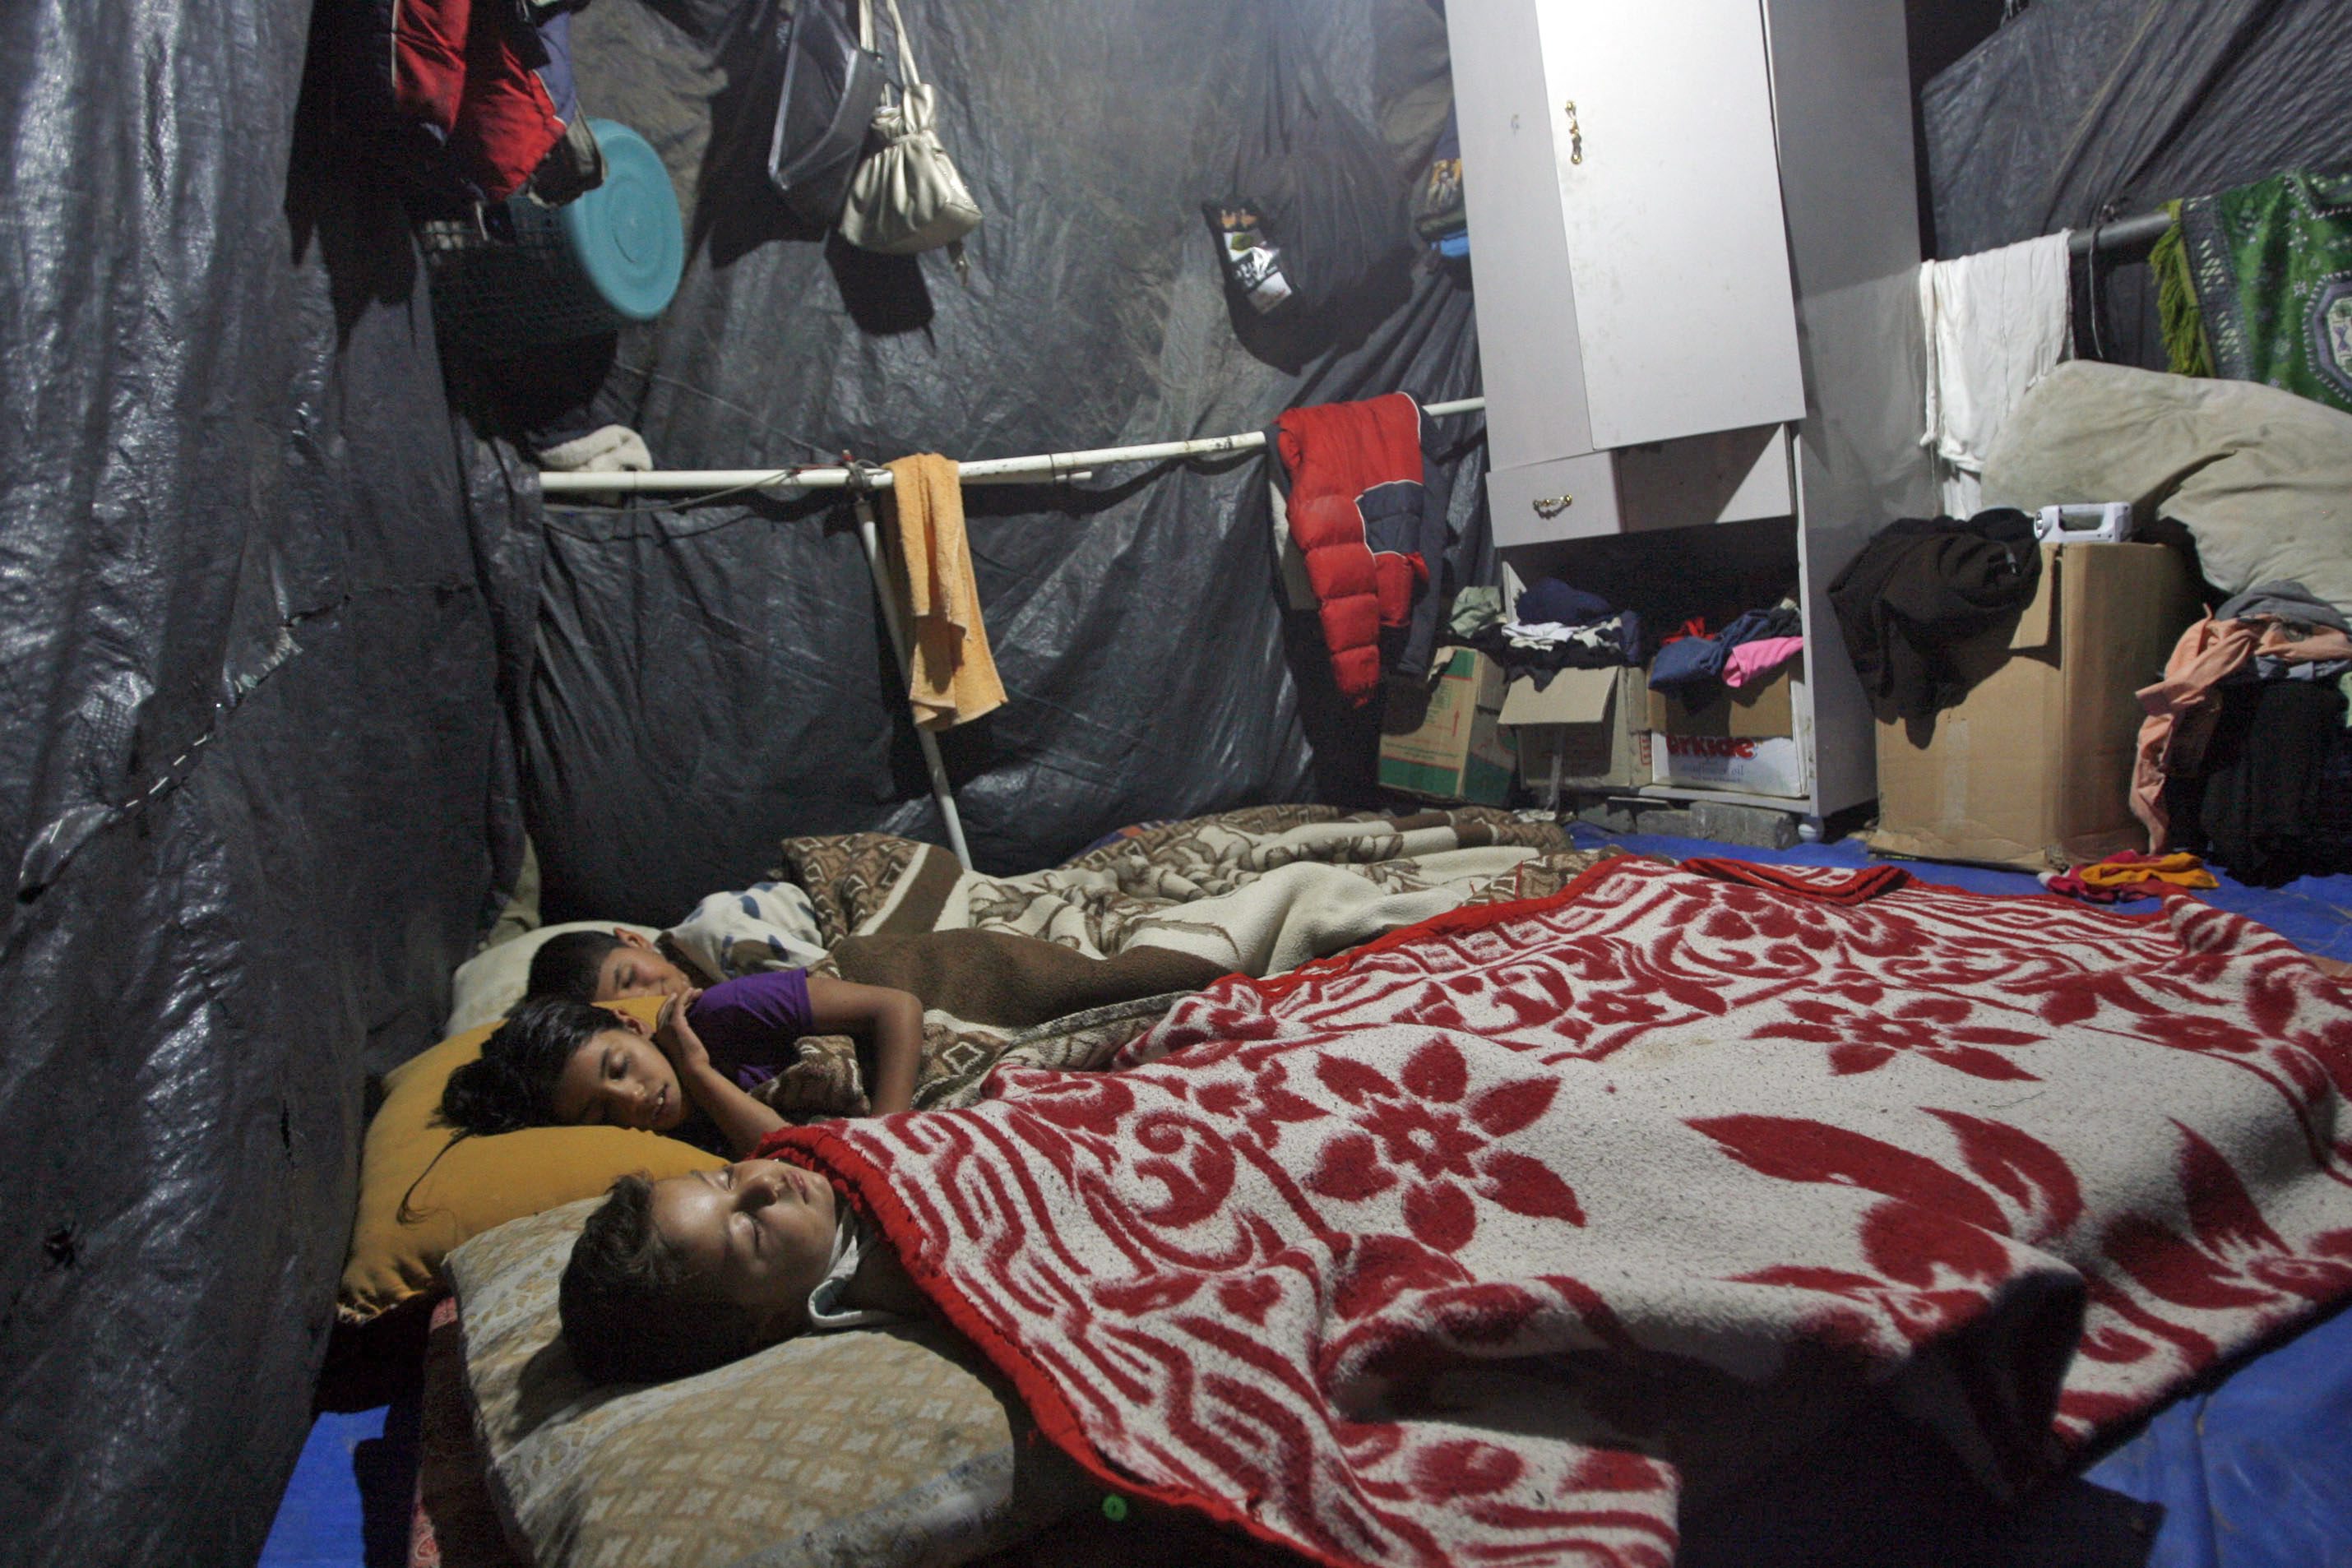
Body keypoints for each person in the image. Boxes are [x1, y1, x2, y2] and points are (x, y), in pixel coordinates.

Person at [441, 973, 924, 1155]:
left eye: (618, 1068)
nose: (632, 1099)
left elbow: (896, 1005)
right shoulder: (672, 1150)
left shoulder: (719, 1012)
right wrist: (697, 1073)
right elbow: (794, 1158)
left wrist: (884, 1140)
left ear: (631, 1025)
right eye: (602, 1112)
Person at [560, 1154, 929, 1382]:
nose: (764, 1183)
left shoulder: (805, 1166)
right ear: (775, 1321)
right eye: (751, 1230)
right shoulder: (891, 1270)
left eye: (726, 1176)